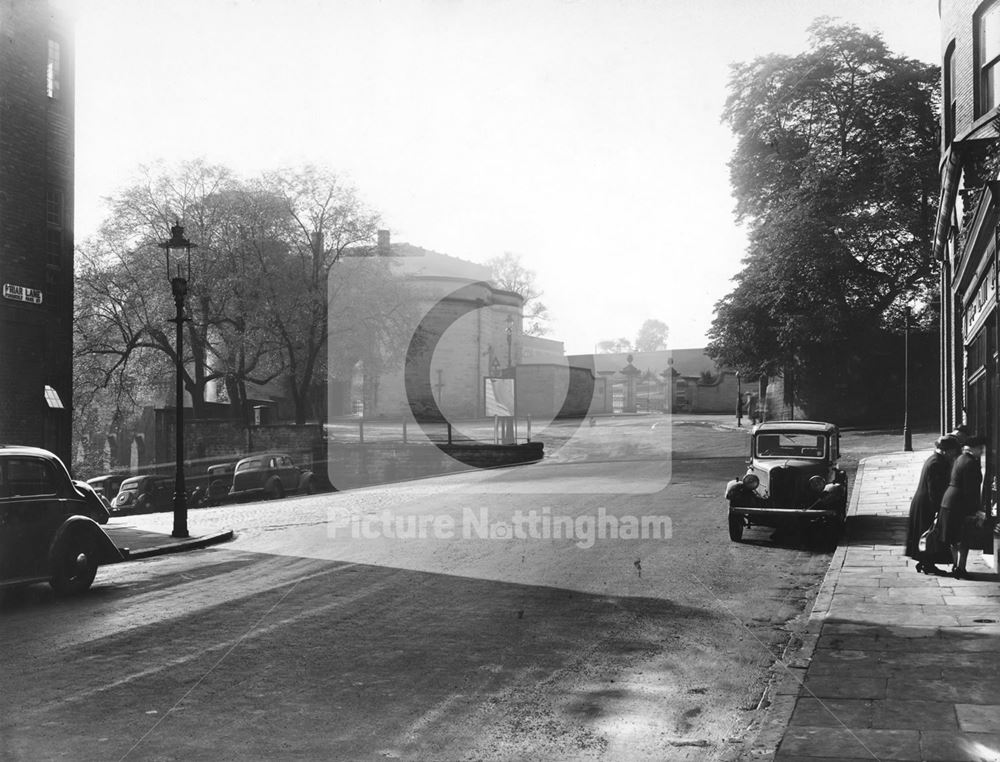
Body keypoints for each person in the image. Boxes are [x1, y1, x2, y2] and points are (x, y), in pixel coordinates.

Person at [904, 435, 960, 574]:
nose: (954, 455)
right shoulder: (937, 463)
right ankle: (928, 564)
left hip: (923, 503)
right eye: (953, 451)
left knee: (926, 534)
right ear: (947, 450)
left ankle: (926, 562)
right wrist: (938, 509)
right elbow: (934, 489)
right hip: (926, 504)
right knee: (929, 535)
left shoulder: (935, 459)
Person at [938, 434, 988, 578]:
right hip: (959, 504)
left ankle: (956, 565)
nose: (982, 452)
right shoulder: (971, 463)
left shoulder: (959, 459)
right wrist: (976, 511)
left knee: (954, 537)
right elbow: (970, 490)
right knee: (964, 537)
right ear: (973, 449)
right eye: (980, 449)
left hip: (949, 502)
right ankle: (961, 568)